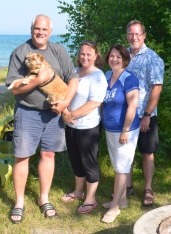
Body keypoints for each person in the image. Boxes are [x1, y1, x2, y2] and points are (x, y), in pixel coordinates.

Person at [5, 14, 78, 223]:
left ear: (50, 32)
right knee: (22, 156)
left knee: (49, 155)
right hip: (27, 112)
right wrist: (37, 80)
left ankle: (43, 198)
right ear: (31, 29)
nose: (41, 32)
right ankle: (19, 202)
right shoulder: (20, 53)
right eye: (37, 29)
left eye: (45, 30)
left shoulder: (59, 51)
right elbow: (14, 89)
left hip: (54, 114)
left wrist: (65, 103)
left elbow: (72, 78)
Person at [60, 41, 108, 214]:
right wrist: (65, 111)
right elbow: (62, 92)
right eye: (82, 53)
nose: (85, 57)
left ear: (96, 55)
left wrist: (71, 115)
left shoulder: (98, 76)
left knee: (89, 162)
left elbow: (95, 102)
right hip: (70, 125)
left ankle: (91, 198)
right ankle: (78, 192)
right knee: (75, 159)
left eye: (89, 54)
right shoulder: (73, 71)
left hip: (88, 127)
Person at [125, 19, 164, 207]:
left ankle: (148, 189)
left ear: (144, 35)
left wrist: (147, 114)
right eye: (131, 34)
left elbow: (156, 88)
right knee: (127, 152)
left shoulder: (153, 58)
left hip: (144, 115)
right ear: (127, 35)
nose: (134, 37)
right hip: (125, 115)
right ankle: (128, 186)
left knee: (147, 152)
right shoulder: (122, 55)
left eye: (137, 34)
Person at [101, 45, 140, 224]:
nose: (114, 59)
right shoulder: (107, 75)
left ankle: (115, 207)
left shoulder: (129, 78)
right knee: (118, 165)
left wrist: (125, 130)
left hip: (126, 130)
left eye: (118, 56)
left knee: (122, 168)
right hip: (110, 128)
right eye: (111, 56)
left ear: (124, 58)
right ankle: (122, 200)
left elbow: (132, 105)